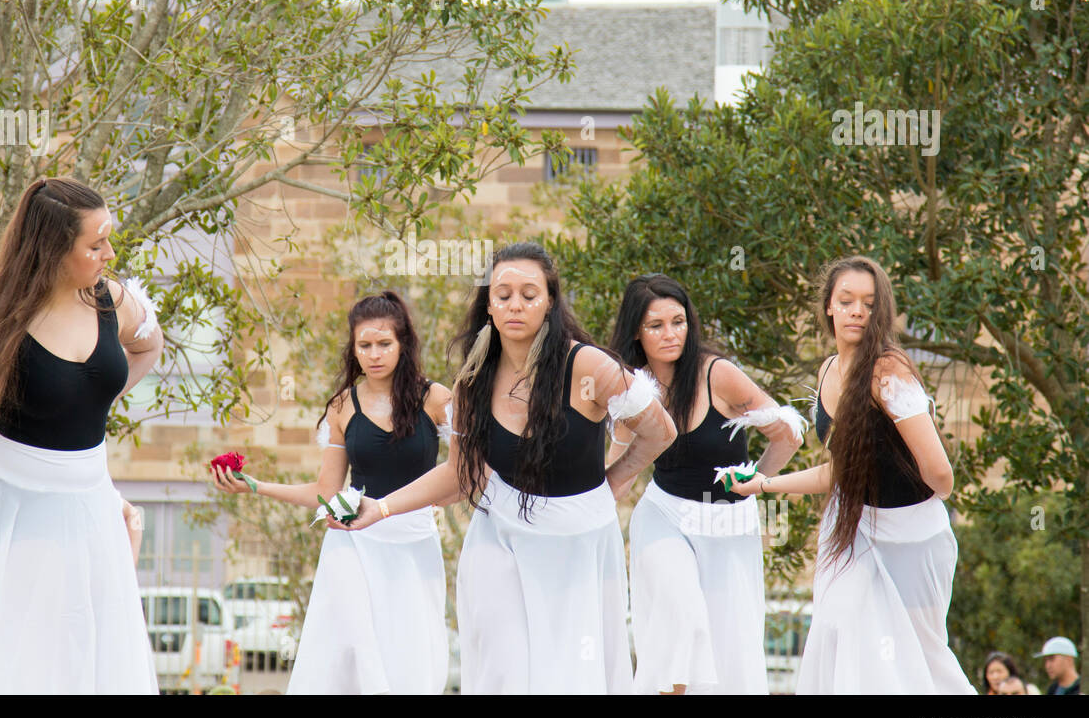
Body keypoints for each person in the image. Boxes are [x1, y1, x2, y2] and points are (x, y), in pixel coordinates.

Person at [328, 242, 677, 693]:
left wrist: (610, 482)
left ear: (550, 301)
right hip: (498, 539)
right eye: (503, 294)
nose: (516, 304)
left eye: (529, 294)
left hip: (579, 544)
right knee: (502, 670)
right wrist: (382, 508)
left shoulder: (589, 366)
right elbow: (461, 474)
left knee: (572, 676)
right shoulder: (473, 381)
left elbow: (659, 432)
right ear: (488, 304)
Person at [0, 175, 162, 693]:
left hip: (89, 501)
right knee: (26, 655)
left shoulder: (114, 301)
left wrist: (92, 401)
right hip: (16, 510)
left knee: (91, 650)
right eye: (95, 244)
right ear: (52, 251)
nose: (109, 252)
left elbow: (147, 348)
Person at [728, 256, 974, 694]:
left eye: (868, 302)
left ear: (880, 311)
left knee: (921, 659)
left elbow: (942, 477)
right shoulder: (827, 371)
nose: (857, 310)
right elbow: (841, 473)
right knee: (843, 636)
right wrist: (764, 485)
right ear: (829, 306)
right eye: (847, 300)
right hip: (854, 529)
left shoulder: (889, 372)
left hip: (912, 539)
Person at [212, 292, 450, 694]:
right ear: (353, 348)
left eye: (384, 344)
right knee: (351, 654)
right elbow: (326, 492)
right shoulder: (343, 405)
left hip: (413, 543)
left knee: (410, 660)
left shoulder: (438, 400)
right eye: (364, 346)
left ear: (404, 344)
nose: (374, 354)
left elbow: (460, 477)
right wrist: (256, 486)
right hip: (352, 545)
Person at [609, 274, 805, 695]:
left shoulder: (718, 374)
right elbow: (618, 470)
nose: (670, 334)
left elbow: (788, 433)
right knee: (680, 619)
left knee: (729, 650)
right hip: (664, 516)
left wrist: (756, 483)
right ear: (636, 333)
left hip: (728, 526)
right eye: (655, 325)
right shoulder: (631, 387)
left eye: (677, 322)